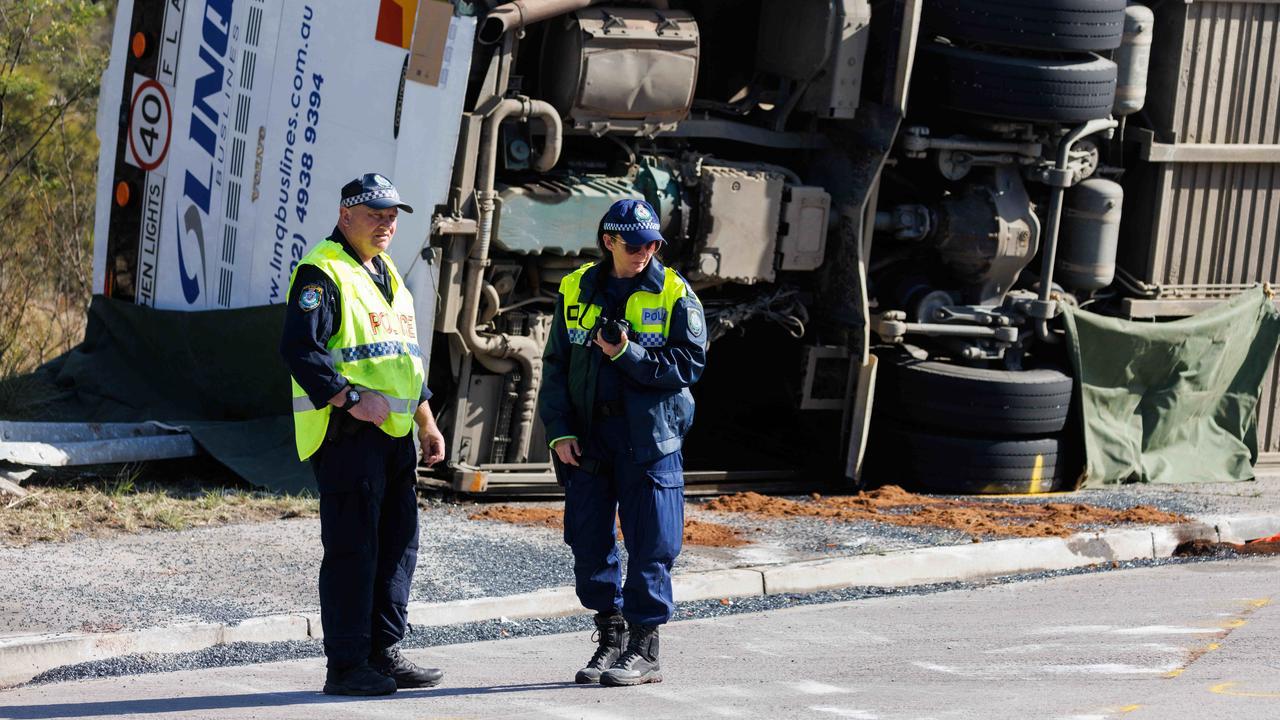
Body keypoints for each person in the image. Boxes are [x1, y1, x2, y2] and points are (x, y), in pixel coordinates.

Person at [280, 173, 446, 696]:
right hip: (347, 435)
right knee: (354, 548)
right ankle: (347, 665)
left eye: (393, 214)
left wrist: (426, 420)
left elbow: (403, 358)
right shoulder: (322, 272)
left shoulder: (388, 271)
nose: (386, 223)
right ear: (345, 214)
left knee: (397, 544)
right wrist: (350, 398)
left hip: (394, 436)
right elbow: (300, 351)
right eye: (375, 213)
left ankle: (382, 651)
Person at [538, 198, 708, 686]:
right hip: (590, 438)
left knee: (651, 544)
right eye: (635, 245)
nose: (645, 252)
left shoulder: (674, 291)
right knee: (589, 542)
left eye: (653, 244)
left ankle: (645, 649)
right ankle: (610, 641)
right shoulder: (575, 289)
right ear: (608, 241)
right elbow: (556, 366)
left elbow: (689, 365)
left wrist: (627, 354)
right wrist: (560, 430)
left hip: (650, 439)